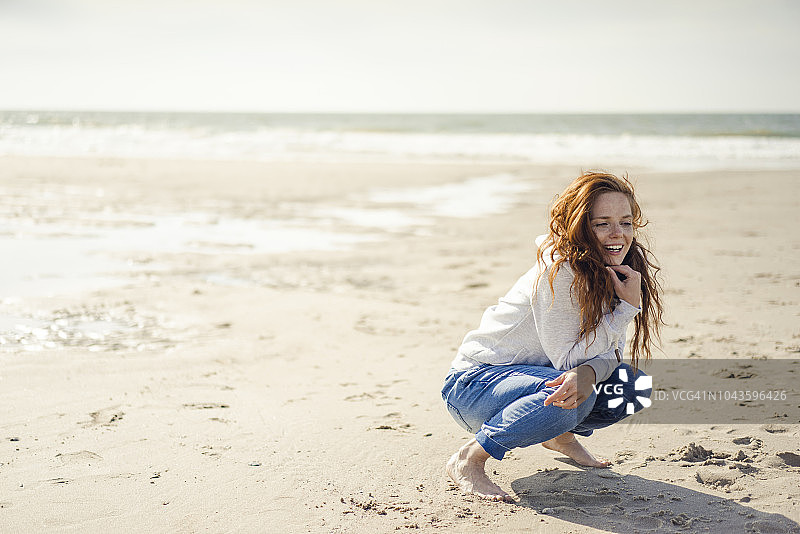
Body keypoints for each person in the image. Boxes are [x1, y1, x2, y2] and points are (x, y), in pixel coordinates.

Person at [441, 171, 664, 502]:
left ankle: (560, 436)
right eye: (602, 224)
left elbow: (611, 354)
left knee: (631, 387)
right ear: (580, 226)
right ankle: (468, 459)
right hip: (474, 386)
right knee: (575, 393)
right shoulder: (560, 270)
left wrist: (590, 370)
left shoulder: (618, 268)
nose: (618, 234)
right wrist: (625, 312)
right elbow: (570, 361)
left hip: (533, 383)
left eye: (626, 223)